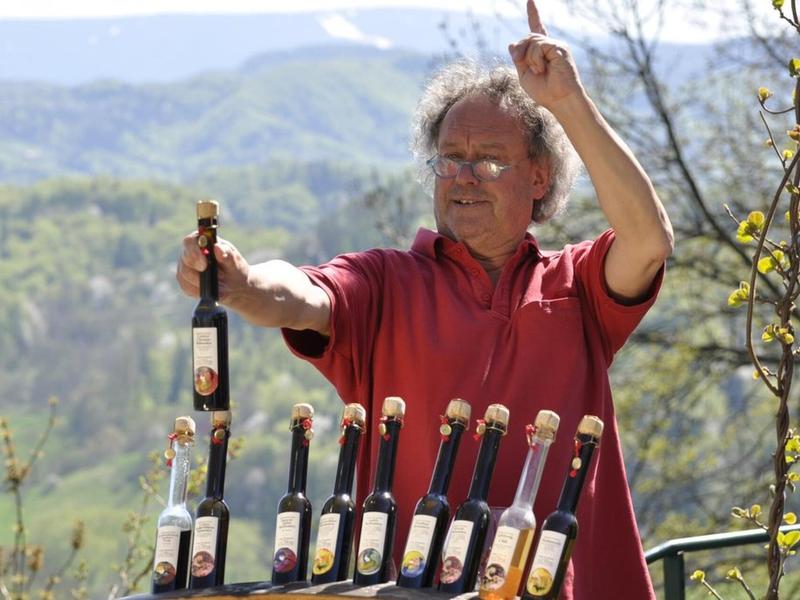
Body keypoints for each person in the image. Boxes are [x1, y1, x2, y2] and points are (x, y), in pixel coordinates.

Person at [176, 1, 673, 597]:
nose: (464, 176)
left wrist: (567, 102)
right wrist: (241, 282)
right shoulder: (387, 283)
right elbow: (301, 295)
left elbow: (649, 240)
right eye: (450, 158)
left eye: (490, 161)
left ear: (539, 177)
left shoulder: (578, 283)